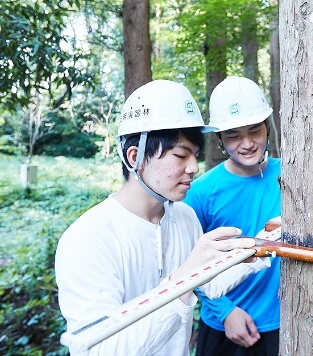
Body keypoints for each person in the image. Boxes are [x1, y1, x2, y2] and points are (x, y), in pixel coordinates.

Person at [55, 80, 269, 355]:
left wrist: (261, 247)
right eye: (180, 155)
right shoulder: (87, 239)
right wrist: (182, 280)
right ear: (135, 157)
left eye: (195, 155)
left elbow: (209, 284)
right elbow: (101, 349)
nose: (193, 168)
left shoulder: (184, 217)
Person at [183, 76, 281, 355]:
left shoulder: (291, 175)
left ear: (266, 129)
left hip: (284, 322)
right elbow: (186, 261)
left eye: (254, 131)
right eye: (234, 135)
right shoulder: (200, 192)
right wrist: (225, 312)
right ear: (220, 139)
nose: (247, 143)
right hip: (223, 327)